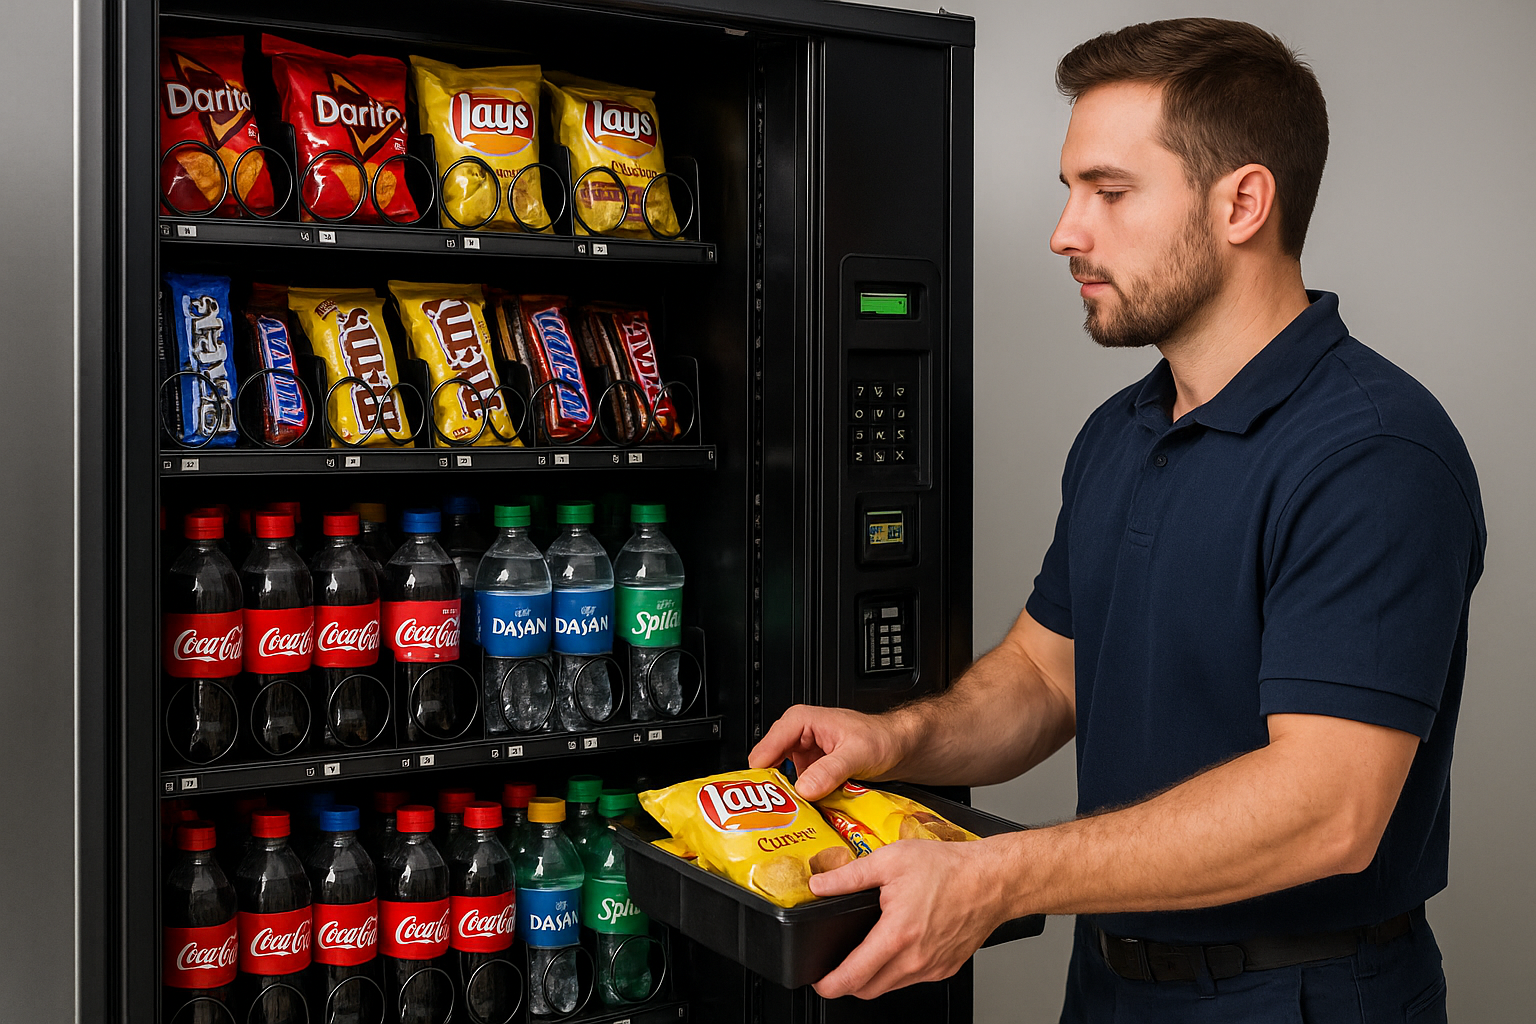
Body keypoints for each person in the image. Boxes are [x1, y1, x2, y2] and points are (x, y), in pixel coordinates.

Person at [749, 17, 1483, 1021]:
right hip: (1111, 981)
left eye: (1109, 191)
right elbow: (1047, 677)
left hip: (1298, 992)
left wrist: (999, 876)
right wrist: (893, 741)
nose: (1065, 232)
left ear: (1243, 202)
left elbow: (1329, 812)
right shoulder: (1122, 430)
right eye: (1068, 190)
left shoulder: (1371, 453)